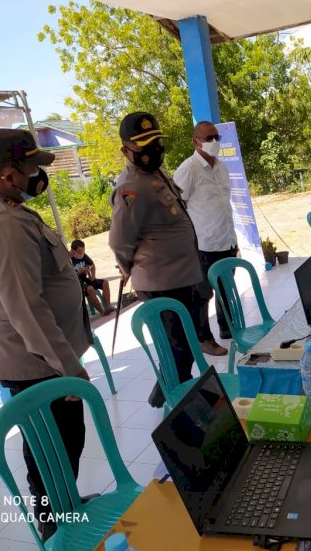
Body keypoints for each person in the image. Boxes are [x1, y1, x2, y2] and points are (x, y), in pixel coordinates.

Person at [0, 129, 92, 541]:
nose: (38, 175)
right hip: (36, 362)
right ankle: (56, 528)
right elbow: (26, 309)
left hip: (34, 357)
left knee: (52, 444)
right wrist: (69, 369)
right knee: (56, 446)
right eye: (31, 168)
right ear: (8, 174)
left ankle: (61, 508)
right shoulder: (3, 224)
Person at [108, 112, 203, 408]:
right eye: (143, 146)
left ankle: (170, 393)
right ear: (126, 150)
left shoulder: (155, 175)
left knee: (183, 346)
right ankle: (175, 403)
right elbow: (119, 240)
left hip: (181, 278)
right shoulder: (131, 187)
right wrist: (128, 269)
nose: (152, 151)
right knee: (178, 349)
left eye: (155, 143)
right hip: (161, 283)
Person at [173, 121, 238, 357]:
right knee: (202, 295)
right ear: (195, 141)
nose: (214, 142)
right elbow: (177, 208)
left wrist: (233, 239)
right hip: (203, 244)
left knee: (226, 289)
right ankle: (204, 339)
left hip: (226, 239)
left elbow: (223, 205)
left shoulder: (221, 167)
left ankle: (228, 329)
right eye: (208, 138)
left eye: (216, 137)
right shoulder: (188, 169)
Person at [70, 239, 113, 316]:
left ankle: (108, 307)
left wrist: (93, 276)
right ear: (73, 251)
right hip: (76, 283)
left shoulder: (84, 255)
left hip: (86, 279)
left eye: (83, 252)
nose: (81, 254)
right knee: (90, 289)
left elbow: (92, 265)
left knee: (105, 283)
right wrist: (79, 272)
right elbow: (69, 277)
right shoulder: (68, 260)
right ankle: (102, 311)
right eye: (79, 253)